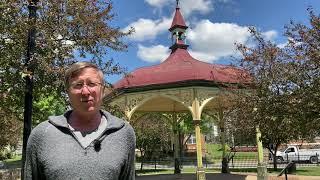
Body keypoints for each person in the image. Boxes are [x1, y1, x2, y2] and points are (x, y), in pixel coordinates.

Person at [24, 62, 136, 180]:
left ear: (102, 89)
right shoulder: (42, 134)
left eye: (92, 84)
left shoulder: (124, 134)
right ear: (67, 92)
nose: (85, 91)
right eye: (78, 85)